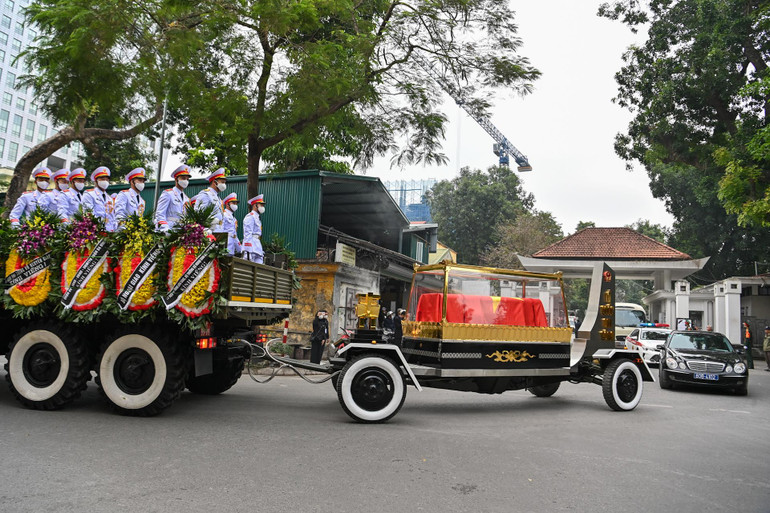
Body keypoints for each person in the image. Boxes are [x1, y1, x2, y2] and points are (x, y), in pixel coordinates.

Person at [155, 165, 192, 233]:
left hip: (181, 231)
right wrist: (165, 229)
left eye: (187, 179)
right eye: (183, 178)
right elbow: (160, 214)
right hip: (168, 229)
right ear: (176, 179)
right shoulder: (168, 194)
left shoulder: (186, 199)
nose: (186, 181)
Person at [192, 168, 227, 233]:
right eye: (222, 182)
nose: (224, 184)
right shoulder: (206, 194)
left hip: (218, 230)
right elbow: (199, 214)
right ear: (214, 182)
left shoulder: (217, 197)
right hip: (209, 231)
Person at [82, 166, 116, 231]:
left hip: (110, 232)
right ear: (96, 180)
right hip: (95, 232)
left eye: (107, 180)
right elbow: (88, 215)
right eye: (102, 179)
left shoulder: (109, 198)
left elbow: (112, 217)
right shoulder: (89, 194)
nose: (105, 181)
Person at [242, 194, 265, 263]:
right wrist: (248, 248)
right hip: (251, 246)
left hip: (257, 245)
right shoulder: (250, 217)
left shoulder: (257, 217)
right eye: (261, 205)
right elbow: (247, 233)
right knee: (248, 268)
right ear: (255, 205)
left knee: (259, 267)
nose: (262, 207)